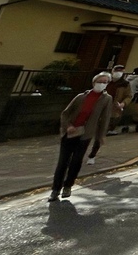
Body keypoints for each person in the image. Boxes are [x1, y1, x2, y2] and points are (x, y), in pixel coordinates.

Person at [50, 72, 114, 201]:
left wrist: (100, 136)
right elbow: (65, 113)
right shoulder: (81, 97)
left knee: (76, 161)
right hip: (70, 133)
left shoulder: (107, 99)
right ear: (94, 82)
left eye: (105, 82)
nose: (102, 84)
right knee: (63, 162)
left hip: (86, 134)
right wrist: (67, 126)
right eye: (100, 81)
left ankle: (68, 186)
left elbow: (105, 118)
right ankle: (55, 190)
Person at [105, 64, 130, 135]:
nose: (118, 73)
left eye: (121, 71)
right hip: (105, 103)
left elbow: (128, 96)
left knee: (113, 117)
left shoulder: (125, 84)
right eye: (117, 70)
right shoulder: (107, 80)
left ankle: (110, 129)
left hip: (115, 104)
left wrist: (123, 103)